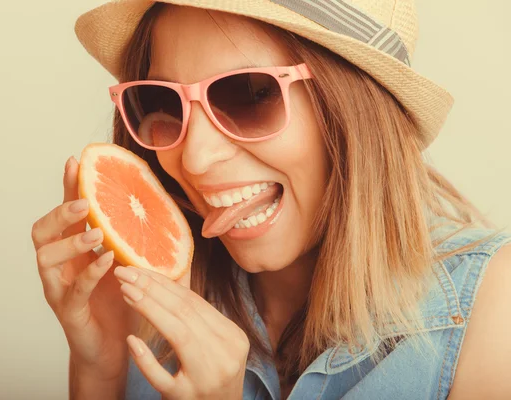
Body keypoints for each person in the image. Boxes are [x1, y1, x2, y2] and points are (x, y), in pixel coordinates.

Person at [31, 1, 511, 399]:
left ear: (354, 111)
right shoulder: (144, 298)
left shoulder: (493, 311)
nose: (193, 158)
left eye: (248, 94)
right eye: (162, 101)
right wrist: (102, 365)